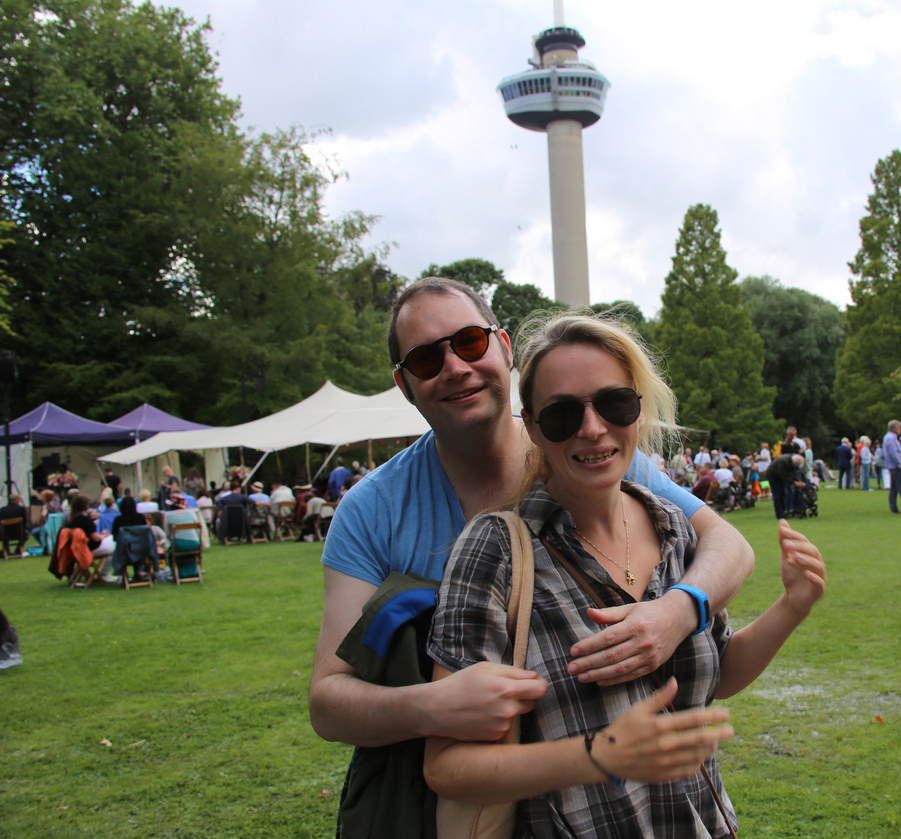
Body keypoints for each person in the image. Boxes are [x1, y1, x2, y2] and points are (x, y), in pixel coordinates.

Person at [309, 279, 753, 792]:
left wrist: (677, 611)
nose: (454, 367)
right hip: (469, 804)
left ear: (503, 347)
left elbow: (729, 546)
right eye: (426, 360)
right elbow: (329, 701)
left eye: (469, 341)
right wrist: (432, 703)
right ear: (404, 385)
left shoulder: (584, 450)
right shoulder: (371, 509)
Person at [425, 311, 825, 838]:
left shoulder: (675, 527)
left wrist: (792, 605)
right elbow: (448, 766)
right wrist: (599, 755)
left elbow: (717, 674)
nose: (593, 429)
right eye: (563, 414)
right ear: (534, 427)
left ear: (638, 409)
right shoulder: (494, 550)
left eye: (614, 403)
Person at [766, 453, 807, 519]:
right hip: (773, 475)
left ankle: (784, 510)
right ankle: (779, 513)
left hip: (780, 475)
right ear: (793, 462)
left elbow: (794, 472)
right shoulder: (783, 462)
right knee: (777, 493)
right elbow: (782, 475)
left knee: (783, 493)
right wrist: (794, 482)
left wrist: (799, 481)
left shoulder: (792, 462)